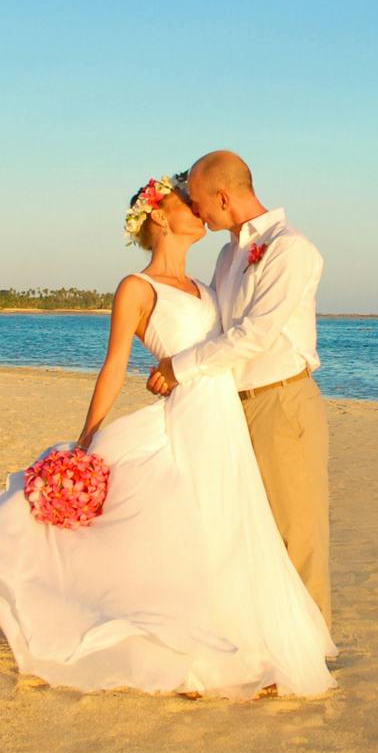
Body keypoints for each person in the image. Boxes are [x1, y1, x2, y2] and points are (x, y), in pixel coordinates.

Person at [0, 175, 334, 698]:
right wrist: (87, 438)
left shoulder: (210, 281)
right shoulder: (136, 288)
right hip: (192, 412)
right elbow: (115, 365)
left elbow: (240, 337)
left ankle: (251, 641)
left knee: (235, 529)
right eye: (185, 203)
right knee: (192, 526)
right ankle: (186, 649)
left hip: (225, 414)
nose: (197, 210)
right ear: (159, 216)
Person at [149, 151, 331, 626]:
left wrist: (179, 368)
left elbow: (254, 336)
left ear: (224, 197)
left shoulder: (290, 249)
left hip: (280, 402)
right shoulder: (228, 254)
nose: (196, 211)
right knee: (246, 531)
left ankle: (312, 649)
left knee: (294, 531)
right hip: (229, 406)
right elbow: (214, 327)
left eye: (198, 200)